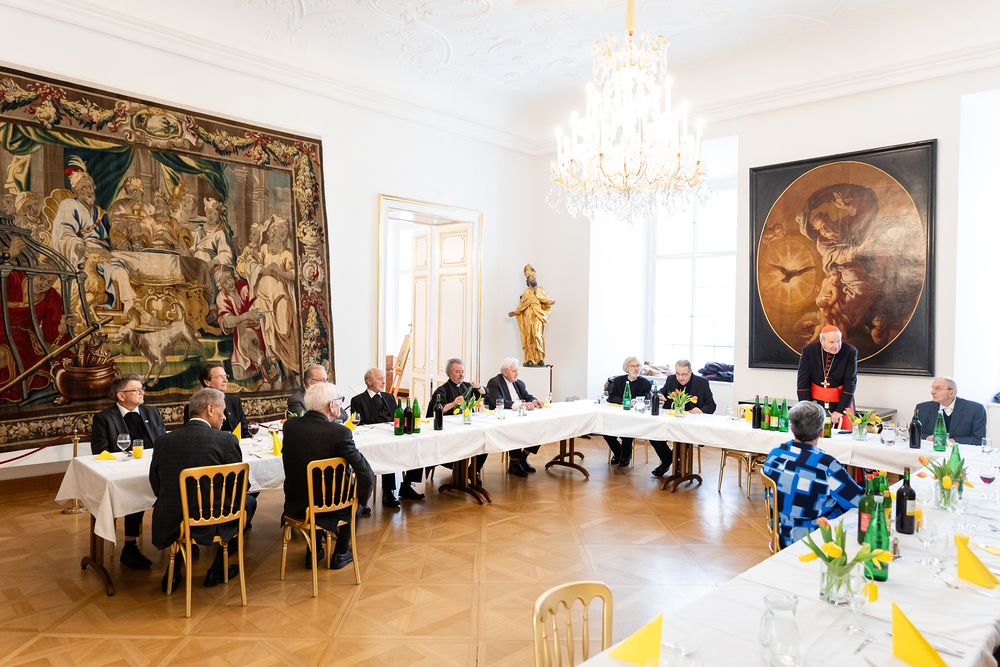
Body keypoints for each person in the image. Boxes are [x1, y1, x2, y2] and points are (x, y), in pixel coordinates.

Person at [149, 388, 257, 592]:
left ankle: (174, 569)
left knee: (183, 510)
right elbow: (240, 487)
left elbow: (156, 485)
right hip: (212, 517)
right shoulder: (226, 440)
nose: (224, 417)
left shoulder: (163, 441)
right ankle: (218, 569)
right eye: (222, 411)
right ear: (210, 409)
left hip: (173, 518)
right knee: (249, 503)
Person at [282, 382, 373, 569]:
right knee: (356, 497)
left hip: (297, 503)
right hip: (329, 507)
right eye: (340, 400)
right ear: (331, 405)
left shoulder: (290, 426)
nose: (340, 404)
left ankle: (313, 552)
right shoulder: (340, 433)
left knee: (314, 488)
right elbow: (365, 472)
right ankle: (341, 552)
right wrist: (362, 501)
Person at [760, 401, 863, 549]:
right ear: (821, 432)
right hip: (812, 539)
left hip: (779, 534)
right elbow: (858, 501)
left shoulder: (775, 453)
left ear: (792, 429)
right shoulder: (825, 464)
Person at [91, 373, 166, 570]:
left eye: (142, 388)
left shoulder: (152, 412)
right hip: (125, 473)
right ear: (121, 395)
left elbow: (162, 442)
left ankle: (179, 536)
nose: (142, 392)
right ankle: (129, 547)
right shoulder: (104, 418)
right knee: (135, 491)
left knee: (178, 485)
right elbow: (100, 453)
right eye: (137, 389)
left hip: (155, 468)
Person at [350, 367, 427, 507]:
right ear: (369, 382)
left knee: (416, 444)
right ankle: (388, 491)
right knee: (387, 450)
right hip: (375, 440)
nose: (384, 382)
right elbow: (359, 425)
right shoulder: (358, 400)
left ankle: (407, 485)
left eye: (383, 379)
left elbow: (398, 417)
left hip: (394, 435)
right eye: (380, 379)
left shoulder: (389, 397)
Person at [426, 358, 488, 481]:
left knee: (484, 441)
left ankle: (472, 470)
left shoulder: (467, 386)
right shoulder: (442, 390)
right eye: (457, 372)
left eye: (462, 372)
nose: (461, 375)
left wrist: (479, 387)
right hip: (449, 430)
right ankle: (461, 472)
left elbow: (485, 393)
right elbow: (437, 409)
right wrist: (453, 403)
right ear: (449, 373)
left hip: (467, 427)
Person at [651, 360, 716, 477]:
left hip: (691, 425)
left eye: (684, 374)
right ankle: (670, 461)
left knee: (683, 437)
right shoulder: (671, 380)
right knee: (653, 434)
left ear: (690, 372)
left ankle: (666, 464)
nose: (680, 378)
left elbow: (711, 405)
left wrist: (701, 410)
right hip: (671, 421)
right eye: (678, 374)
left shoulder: (702, 382)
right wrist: (660, 394)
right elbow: (662, 392)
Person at [485, 358, 543, 477]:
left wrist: (534, 401)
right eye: (514, 371)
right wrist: (521, 405)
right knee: (515, 427)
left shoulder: (519, 383)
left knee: (540, 425)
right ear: (505, 372)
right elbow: (498, 402)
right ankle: (514, 463)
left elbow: (527, 396)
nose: (517, 373)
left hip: (520, 415)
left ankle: (523, 457)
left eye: (517, 370)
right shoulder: (494, 382)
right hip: (502, 418)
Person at [796, 325, 857, 429]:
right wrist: (808, 408)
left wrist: (840, 410)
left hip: (841, 403)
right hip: (815, 403)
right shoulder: (809, 350)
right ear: (822, 341)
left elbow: (850, 382)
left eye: (839, 341)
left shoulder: (850, 351)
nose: (836, 346)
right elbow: (803, 381)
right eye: (831, 342)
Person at [602, 356, 655, 467]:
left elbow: (646, 399)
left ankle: (626, 455)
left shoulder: (645, 383)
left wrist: (636, 401)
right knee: (605, 429)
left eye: (638, 366)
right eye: (633, 366)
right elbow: (611, 397)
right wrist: (624, 401)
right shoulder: (618, 381)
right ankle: (618, 452)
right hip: (618, 414)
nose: (636, 369)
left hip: (635, 417)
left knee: (627, 429)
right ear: (627, 368)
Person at [915, 377, 987, 445]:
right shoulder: (922, 408)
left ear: (952, 393)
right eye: (933, 388)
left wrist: (953, 441)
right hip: (930, 450)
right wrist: (928, 438)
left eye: (938, 389)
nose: (932, 392)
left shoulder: (975, 409)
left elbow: (978, 439)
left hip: (961, 451)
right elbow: (914, 433)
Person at [508, 264, 555, 366]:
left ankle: (539, 358)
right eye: (532, 277)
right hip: (528, 316)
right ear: (528, 280)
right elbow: (522, 305)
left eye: (535, 277)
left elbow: (546, 299)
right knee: (529, 336)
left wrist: (548, 303)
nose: (534, 278)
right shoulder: (526, 292)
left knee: (537, 335)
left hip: (538, 315)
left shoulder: (540, 290)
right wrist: (516, 312)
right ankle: (529, 358)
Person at [183, 363, 249, 435]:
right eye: (220, 377)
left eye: (226, 376)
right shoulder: (193, 407)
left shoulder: (234, 402)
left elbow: (244, 431)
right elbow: (192, 434)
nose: (226, 380)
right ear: (207, 382)